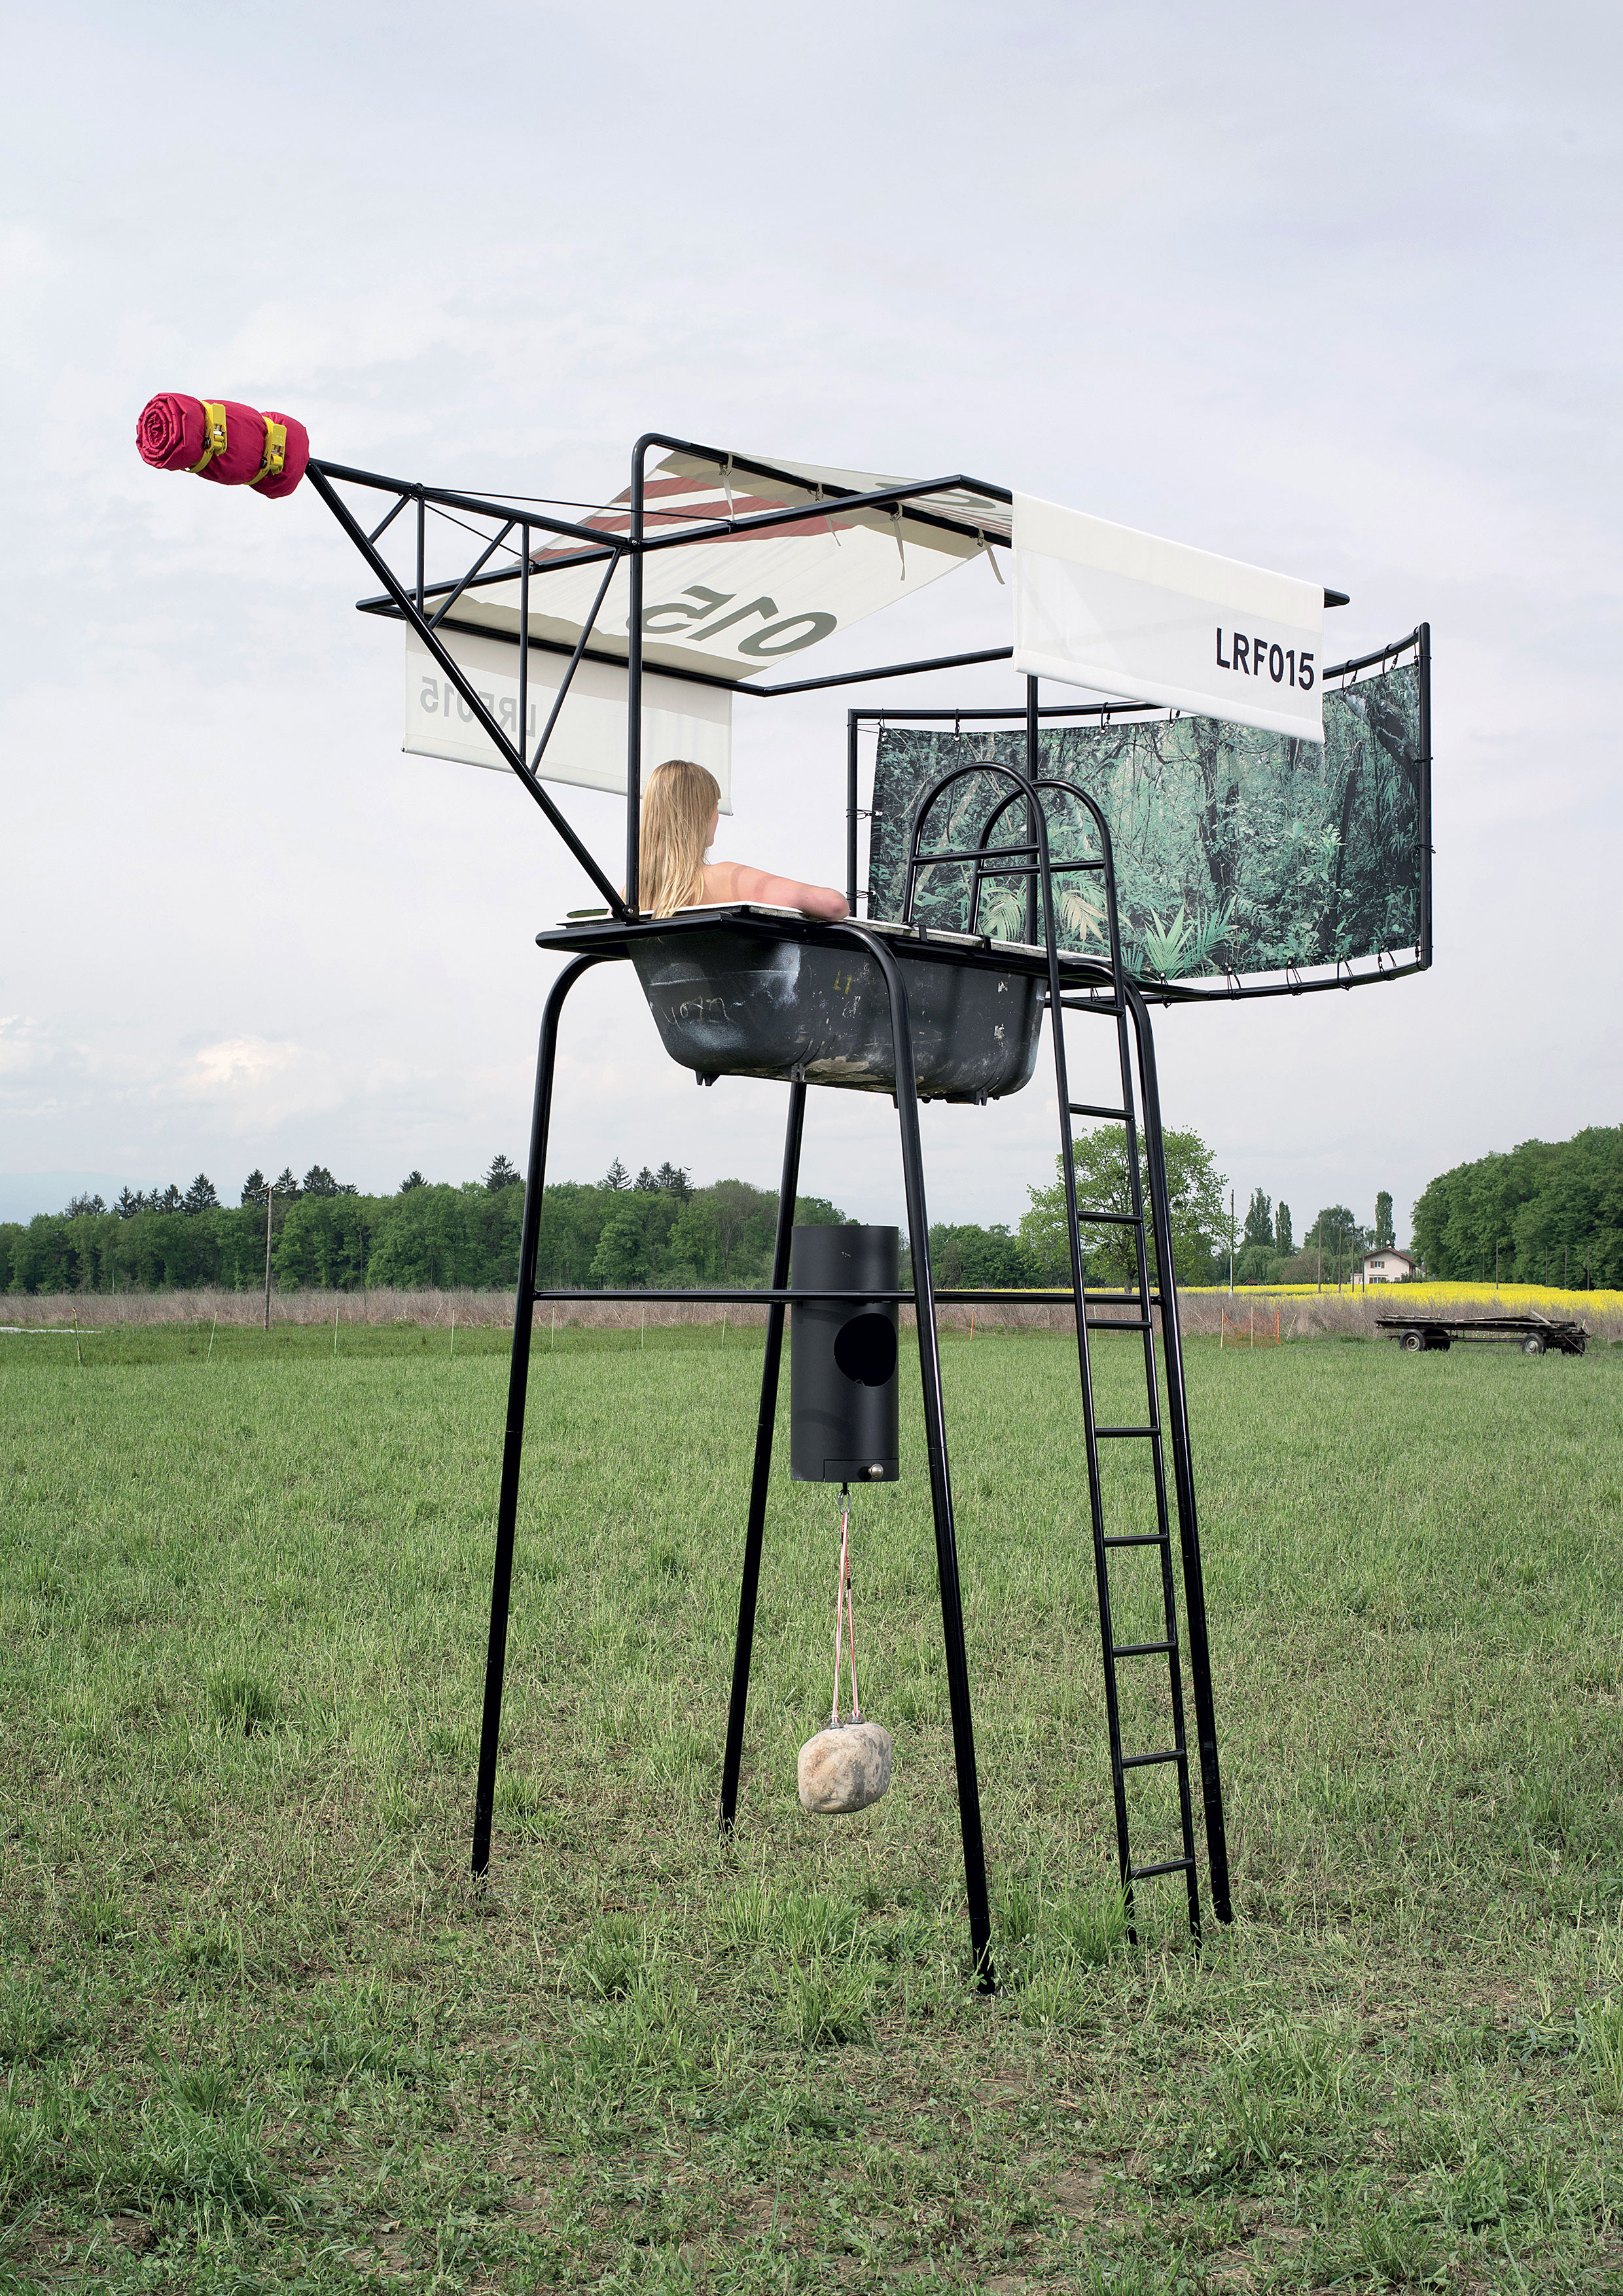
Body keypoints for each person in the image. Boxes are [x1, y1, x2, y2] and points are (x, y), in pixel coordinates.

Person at [637, 758, 847, 920]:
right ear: (700, 815)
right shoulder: (725, 879)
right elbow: (833, 905)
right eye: (715, 805)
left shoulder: (631, 895)